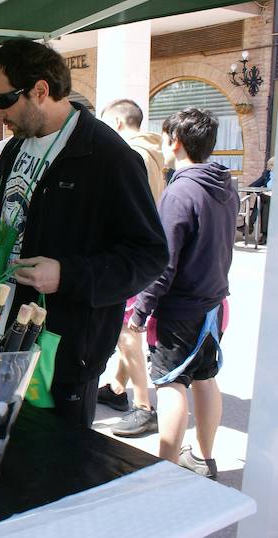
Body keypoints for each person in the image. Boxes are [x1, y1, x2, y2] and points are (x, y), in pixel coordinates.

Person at [0, 39, 168, 427]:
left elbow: (149, 255)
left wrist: (67, 275)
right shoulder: (15, 147)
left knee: (52, 469)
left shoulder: (109, 157)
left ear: (40, 90)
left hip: (60, 352)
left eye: (2, 101)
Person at [129, 108, 239, 477]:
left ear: (175, 141)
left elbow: (165, 262)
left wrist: (141, 312)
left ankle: (165, 469)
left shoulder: (181, 192)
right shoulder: (225, 185)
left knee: (171, 384)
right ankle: (204, 458)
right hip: (214, 301)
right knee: (205, 378)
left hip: (182, 309)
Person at [97, 98, 166, 435]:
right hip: (147, 253)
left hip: (131, 256)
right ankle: (117, 388)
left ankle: (143, 405)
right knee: (128, 329)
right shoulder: (154, 152)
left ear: (119, 124)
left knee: (127, 331)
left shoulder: (130, 155)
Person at [248, 156, 272, 244]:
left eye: (270, 165)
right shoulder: (267, 174)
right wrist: (249, 188)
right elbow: (257, 183)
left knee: (264, 199)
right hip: (266, 198)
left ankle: (250, 223)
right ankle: (252, 224)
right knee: (262, 198)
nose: (268, 167)